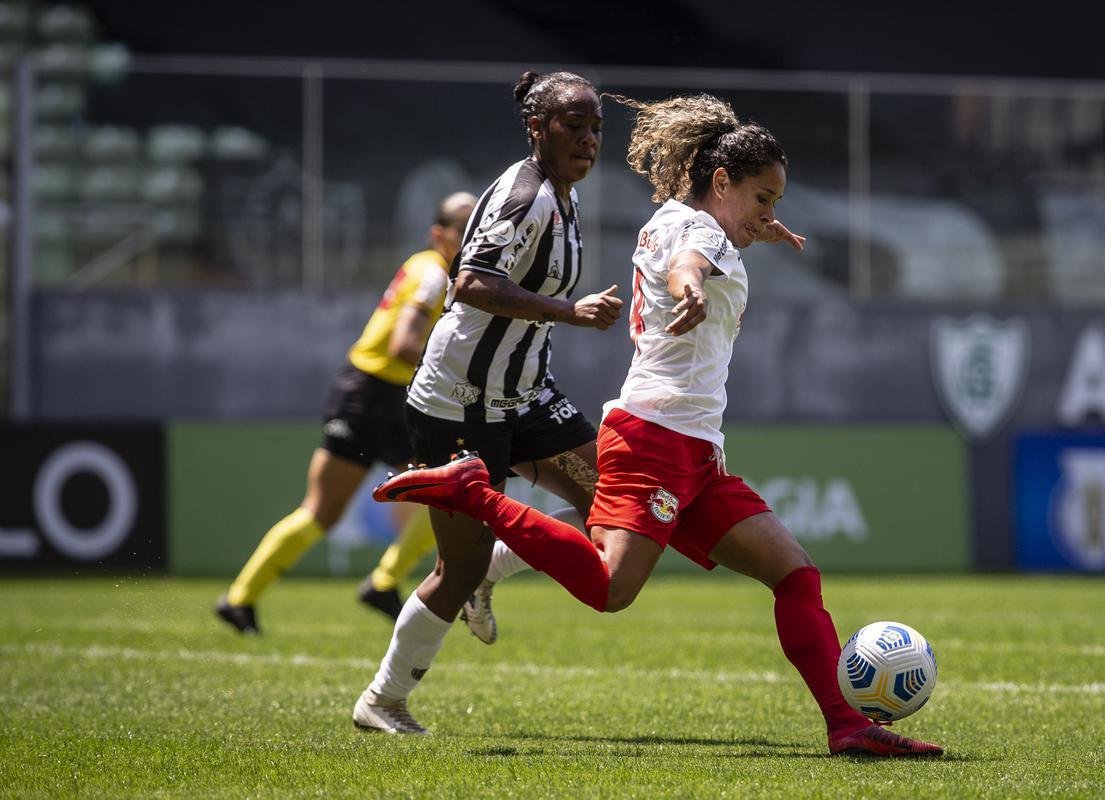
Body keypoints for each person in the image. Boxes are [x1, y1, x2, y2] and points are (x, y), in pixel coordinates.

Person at [370, 93, 945, 758]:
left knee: (795, 574)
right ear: (722, 181)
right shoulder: (699, 238)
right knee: (613, 589)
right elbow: (691, 263)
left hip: (692, 449)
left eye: (776, 204)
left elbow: (698, 241)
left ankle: (846, 725)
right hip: (655, 441)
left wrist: (750, 234)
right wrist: (694, 285)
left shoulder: (675, 216)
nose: (769, 214)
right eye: (763, 199)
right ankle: (473, 494)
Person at [350, 69, 623, 734]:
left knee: (611, 503)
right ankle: (382, 701)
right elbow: (469, 283)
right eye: (573, 126)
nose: (588, 140)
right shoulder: (524, 195)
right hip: (460, 403)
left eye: (595, 128)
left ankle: (492, 572)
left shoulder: (563, 194)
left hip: (524, 396)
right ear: (537, 128)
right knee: (455, 563)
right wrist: (571, 312)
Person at [214, 190, 477, 635]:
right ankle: (241, 599)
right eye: (462, 229)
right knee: (324, 512)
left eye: (476, 228)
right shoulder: (433, 274)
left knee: (448, 495)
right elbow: (403, 344)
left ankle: (382, 583)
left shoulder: (429, 268)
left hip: (392, 395)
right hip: (370, 395)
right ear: (439, 234)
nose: (471, 237)